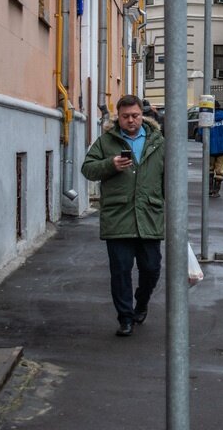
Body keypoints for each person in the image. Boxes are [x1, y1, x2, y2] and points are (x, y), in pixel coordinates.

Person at [81, 94, 165, 337]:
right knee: (120, 271)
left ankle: (141, 302)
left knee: (151, 268)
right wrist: (110, 165)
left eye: (135, 116)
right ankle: (125, 317)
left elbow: (168, 178)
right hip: (118, 216)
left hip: (149, 215)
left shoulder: (157, 142)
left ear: (143, 115)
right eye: (126, 116)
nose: (131, 121)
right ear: (118, 117)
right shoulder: (107, 141)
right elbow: (87, 169)